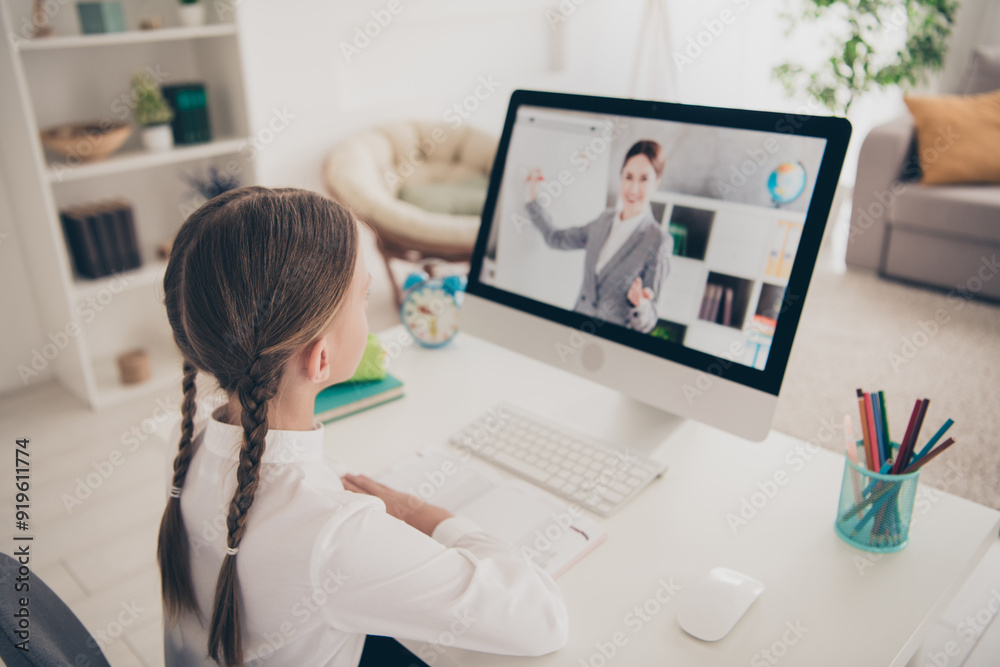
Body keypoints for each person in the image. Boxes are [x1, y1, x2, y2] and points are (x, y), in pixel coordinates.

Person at [158, 186, 568, 666]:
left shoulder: (187, 440)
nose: (369, 312)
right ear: (321, 357)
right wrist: (420, 513)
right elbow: (543, 619)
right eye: (364, 298)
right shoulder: (335, 539)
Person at [525, 140, 672, 333]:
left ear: (657, 183)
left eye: (644, 179)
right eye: (628, 177)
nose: (633, 189)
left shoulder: (658, 240)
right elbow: (556, 239)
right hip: (573, 331)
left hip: (609, 347)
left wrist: (642, 305)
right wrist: (532, 199)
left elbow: (648, 321)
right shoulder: (604, 221)